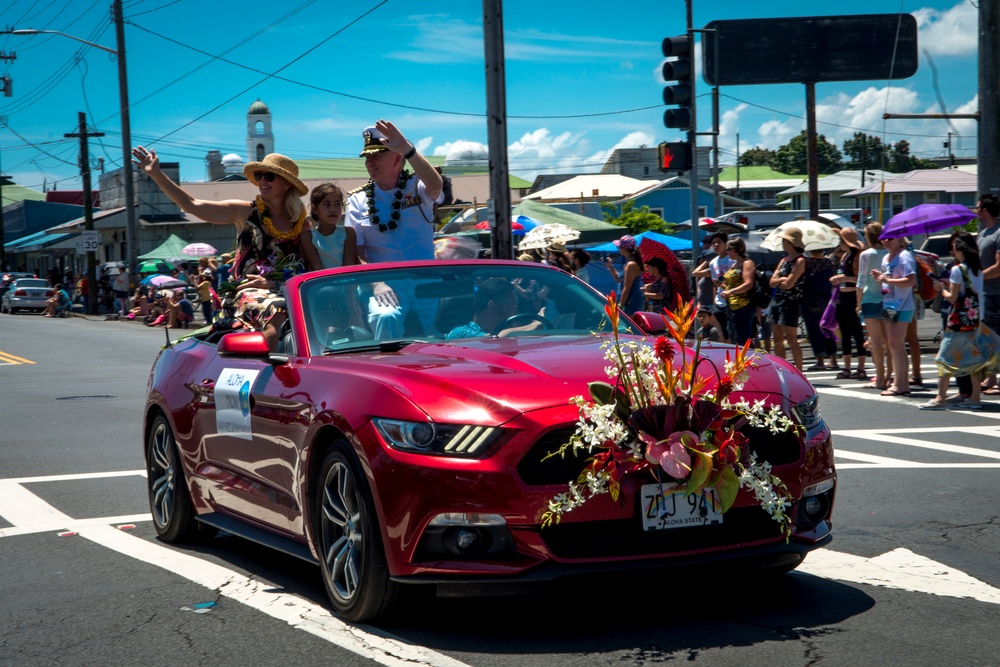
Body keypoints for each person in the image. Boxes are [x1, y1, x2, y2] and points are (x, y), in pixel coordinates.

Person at [132, 146, 310, 349]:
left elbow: (307, 266)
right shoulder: (244, 212)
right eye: (260, 175)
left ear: (287, 184)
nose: (262, 181)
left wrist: (275, 284)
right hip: (248, 291)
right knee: (277, 314)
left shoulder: (302, 223)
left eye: (269, 176)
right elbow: (192, 205)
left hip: (288, 289)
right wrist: (157, 174)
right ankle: (273, 376)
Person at [345, 120, 444, 338]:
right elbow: (357, 250)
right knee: (385, 317)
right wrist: (377, 283)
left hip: (425, 282)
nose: (369, 163)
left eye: (376, 156)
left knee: (440, 332)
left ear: (397, 157)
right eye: (367, 158)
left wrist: (409, 149)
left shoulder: (416, 186)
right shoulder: (358, 200)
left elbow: (436, 186)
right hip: (385, 284)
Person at [922, 232, 1000, 410]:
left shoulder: (958, 269)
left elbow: (953, 297)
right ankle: (974, 398)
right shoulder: (977, 269)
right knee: (973, 360)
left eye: (954, 247)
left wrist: (941, 289)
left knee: (944, 358)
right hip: (975, 319)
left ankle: (940, 398)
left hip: (958, 321)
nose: (952, 250)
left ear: (959, 249)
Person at [870, 235, 916, 396]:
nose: (886, 241)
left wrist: (887, 279)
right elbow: (886, 280)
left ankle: (899, 383)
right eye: (884, 238)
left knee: (895, 345)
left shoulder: (905, 256)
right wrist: (880, 278)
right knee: (896, 346)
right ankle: (902, 383)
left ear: (899, 240)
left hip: (902, 305)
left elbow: (910, 281)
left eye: (890, 238)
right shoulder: (886, 258)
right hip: (889, 304)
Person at [445, 278, 546, 340]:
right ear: (493, 307)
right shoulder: (460, 333)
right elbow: (492, 339)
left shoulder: (512, 338)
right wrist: (534, 325)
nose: (517, 312)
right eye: (513, 307)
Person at [830, 227, 867, 379]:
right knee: (844, 333)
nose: (840, 243)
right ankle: (846, 367)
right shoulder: (844, 255)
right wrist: (838, 279)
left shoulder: (858, 256)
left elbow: (861, 279)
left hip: (853, 296)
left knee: (857, 332)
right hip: (842, 296)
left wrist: (844, 279)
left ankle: (861, 367)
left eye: (842, 240)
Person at [769, 227, 807, 371]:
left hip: (791, 302)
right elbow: (772, 282)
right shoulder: (784, 260)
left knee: (792, 339)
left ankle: (799, 371)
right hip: (777, 300)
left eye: (785, 240)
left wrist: (781, 279)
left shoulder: (800, 260)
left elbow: (789, 284)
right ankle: (781, 370)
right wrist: (782, 279)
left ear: (791, 242)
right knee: (777, 340)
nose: (783, 243)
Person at [858, 222, 890, 390]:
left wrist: (858, 303)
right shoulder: (889, 253)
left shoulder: (866, 254)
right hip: (887, 298)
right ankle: (889, 376)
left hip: (870, 298)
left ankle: (880, 376)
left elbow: (861, 280)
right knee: (889, 341)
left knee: (876, 342)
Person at [975, 194, 1000, 395]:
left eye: (977, 208)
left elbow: (999, 267)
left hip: (996, 293)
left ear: (985, 210)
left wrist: (979, 278)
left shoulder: (998, 233)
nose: (975, 211)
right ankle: (991, 378)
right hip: (984, 294)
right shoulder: (983, 233)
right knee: (989, 338)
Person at [301, 183, 358, 270]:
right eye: (327, 205)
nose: (333, 209)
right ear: (315, 209)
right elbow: (317, 270)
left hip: (346, 281)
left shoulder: (348, 232)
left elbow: (349, 268)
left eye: (337, 204)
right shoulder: (308, 237)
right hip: (323, 282)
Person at [692, 232, 734, 342]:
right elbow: (715, 285)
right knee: (722, 334)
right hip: (719, 302)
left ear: (726, 244)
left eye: (719, 242)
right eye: (713, 243)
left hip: (733, 301)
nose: (716, 245)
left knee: (733, 333)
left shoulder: (732, 260)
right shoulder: (713, 262)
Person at [802, 247, 839, 371]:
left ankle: (820, 360)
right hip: (827, 297)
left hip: (810, 298)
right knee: (828, 328)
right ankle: (833, 359)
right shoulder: (829, 262)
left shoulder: (808, 262)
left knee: (814, 330)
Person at [719, 238, 757, 346]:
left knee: (744, 340)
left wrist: (730, 291)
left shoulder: (747, 263)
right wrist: (723, 286)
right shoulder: (734, 264)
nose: (726, 251)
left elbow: (748, 284)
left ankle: (751, 361)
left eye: (728, 249)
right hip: (731, 307)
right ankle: (739, 362)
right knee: (734, 339)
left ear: (737, 249)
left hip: (743, 307)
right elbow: (732, 284)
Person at [604, 234, 645, 317]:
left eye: (619, 247)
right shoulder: (628, 262)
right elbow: (618, 280)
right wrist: (610, 266)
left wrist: (620, 306)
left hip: (631, 302)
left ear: (624, 248)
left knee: (629, 328)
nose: (618, 248)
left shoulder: (631, 264)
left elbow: (627, 288)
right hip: (628, 301)